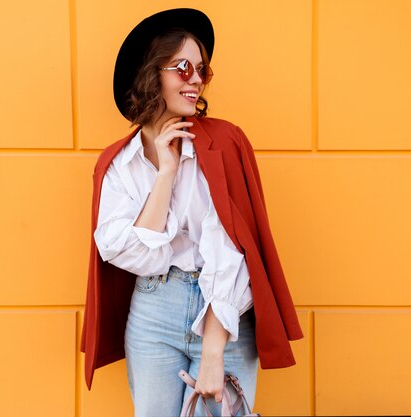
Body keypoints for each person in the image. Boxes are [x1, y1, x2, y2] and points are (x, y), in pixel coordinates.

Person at [80, 8, 303, 417]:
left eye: (203, 70)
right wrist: (165, 172)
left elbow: (233, 251)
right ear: (152, 74)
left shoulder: (224, 143)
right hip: (152, 312)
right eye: (184, 68)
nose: (196, 80)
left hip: (223, 312)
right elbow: (130, 254)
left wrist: (214, 350)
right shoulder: (118, 163)